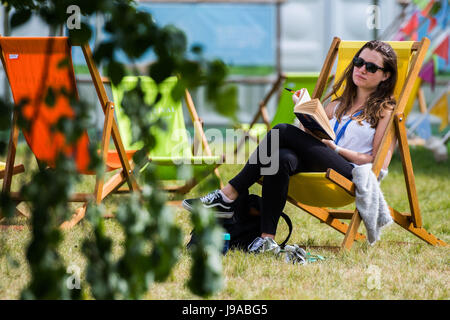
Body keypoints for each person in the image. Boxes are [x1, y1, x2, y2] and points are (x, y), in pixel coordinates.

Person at [183, 40, 398, 253]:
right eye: (358, 62)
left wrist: (335, 149)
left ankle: (228, 194)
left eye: (370, 67)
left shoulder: (386, 111)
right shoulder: (337, 104)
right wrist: (304, 111)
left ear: (386, 75)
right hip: (320, 163)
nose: (361, 69)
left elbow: (377, 160)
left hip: (350, 172)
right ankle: (266, 240)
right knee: (281, 158)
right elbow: (313, 137)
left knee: (283, 130)